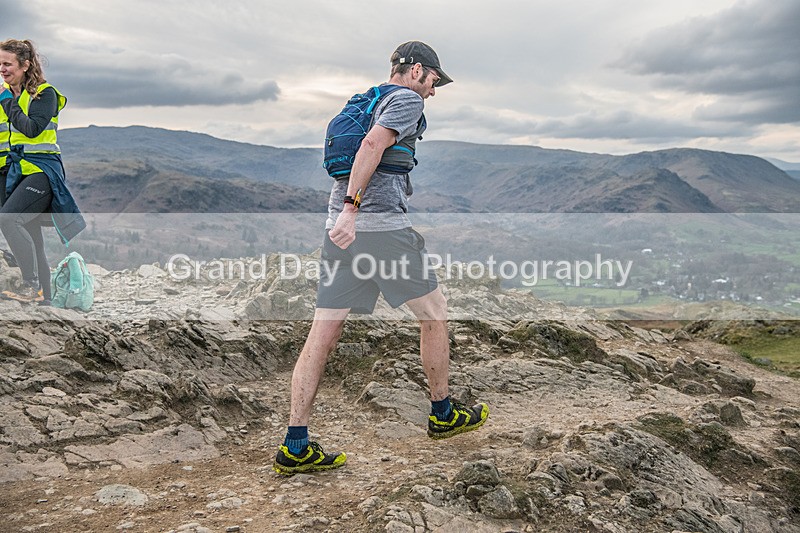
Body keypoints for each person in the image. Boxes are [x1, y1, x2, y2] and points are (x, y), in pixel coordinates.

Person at [273, 41, 489, 475]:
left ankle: (295, 444)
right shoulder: (405, 100)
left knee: (323, 334)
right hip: (379, 230)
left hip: (339, 232)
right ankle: (443, 415)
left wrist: (344, 216)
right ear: (415, 71)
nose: (434, 90)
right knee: (435, 313)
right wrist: (354, 210)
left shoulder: (366, 100)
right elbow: (372, 147)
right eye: (433, 80)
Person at [0, 39, 85, 304]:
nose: (2, 69)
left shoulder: (44, 94)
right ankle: (44, 299)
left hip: (40, 170)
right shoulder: (4, 97)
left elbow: (32, 129)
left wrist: (7, 101)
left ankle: (30, 284)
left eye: (7, 63)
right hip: (11, 172)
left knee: (8, 219)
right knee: (31, 233)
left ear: (25, 65)